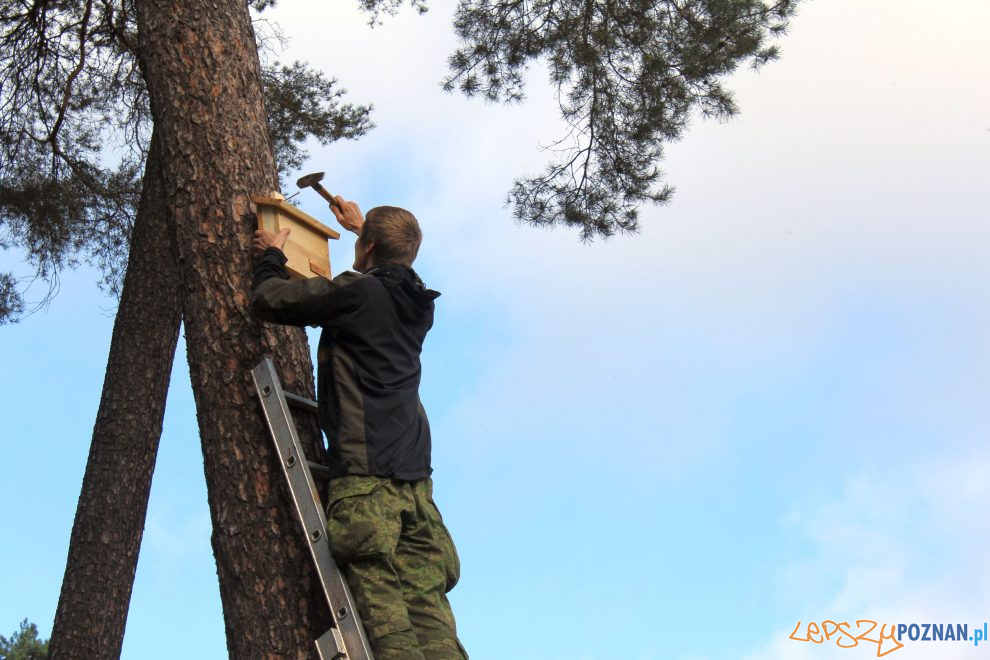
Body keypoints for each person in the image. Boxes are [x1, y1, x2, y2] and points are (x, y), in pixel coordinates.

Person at [250, 197, 468, 660]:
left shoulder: (359, 293)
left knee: (390, 629)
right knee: (430, 612)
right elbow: (392, 269)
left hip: (368, 480)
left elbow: (270, 300)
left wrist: (271, 255)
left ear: (368, 247)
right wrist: (362, 233)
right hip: (414, 482)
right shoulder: (419, 302)